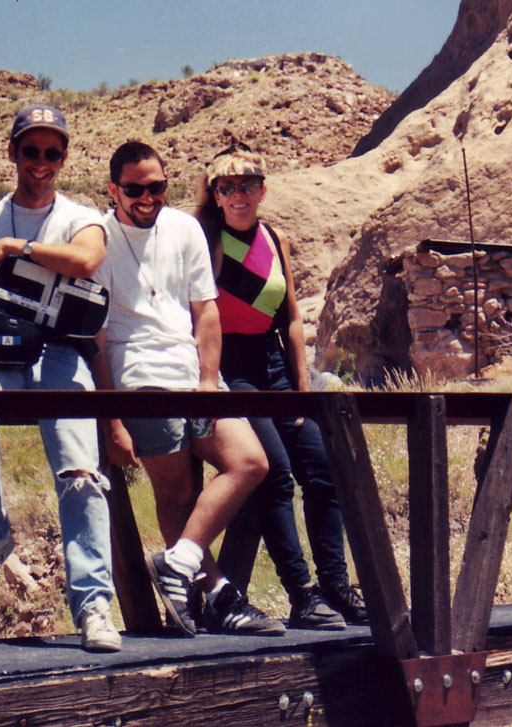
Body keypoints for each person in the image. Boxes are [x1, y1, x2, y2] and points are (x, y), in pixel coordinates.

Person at [91, 140, 283, 637]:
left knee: (250, 462)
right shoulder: (99, 239)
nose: (148, 197)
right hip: (138, 375)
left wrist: (208, 380)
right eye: (135, 189)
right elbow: (98, 335)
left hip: (194, 372)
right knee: (176, 492)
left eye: (157, 187)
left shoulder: (185, 230)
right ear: (114, 189)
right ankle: (218, 593)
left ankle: (179, 566)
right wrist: (112, 418)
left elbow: (207, 311)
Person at [0, 104, 120, 653]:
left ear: (64, 157)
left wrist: (18, 250)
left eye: (53, 152)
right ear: (13, 153)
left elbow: (87, 260)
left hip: (60, 353)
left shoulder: (80, 216)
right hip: (1, 354)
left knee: (79, 470)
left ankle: (94, 606)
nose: (42, 162)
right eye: (32, 151)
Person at [193, 143, 367, 629]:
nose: (238, 196)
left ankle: (337, 585)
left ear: (262, 190)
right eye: (227, 188)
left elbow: (291, 316)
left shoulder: (275, 237)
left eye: (247, 186)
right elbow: (202, 314)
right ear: (217, 196)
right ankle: (303, 594)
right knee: (275, 473)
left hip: (275, 363)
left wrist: (302, 386)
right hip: (232, 367)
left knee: (323, 468)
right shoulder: (208, 240)